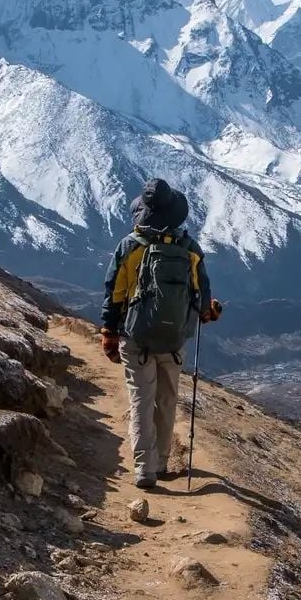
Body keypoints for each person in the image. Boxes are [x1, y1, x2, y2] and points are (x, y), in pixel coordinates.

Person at [99, 179, 221, 490]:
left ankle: (144, 469)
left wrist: (108, 333)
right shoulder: (190, 250)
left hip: (134, 334)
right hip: (174, 340)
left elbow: (114, 293)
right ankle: (163, 462)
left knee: (142, 399)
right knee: (167, 401)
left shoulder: (129, 247)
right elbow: (202, 300)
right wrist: (209, 311)